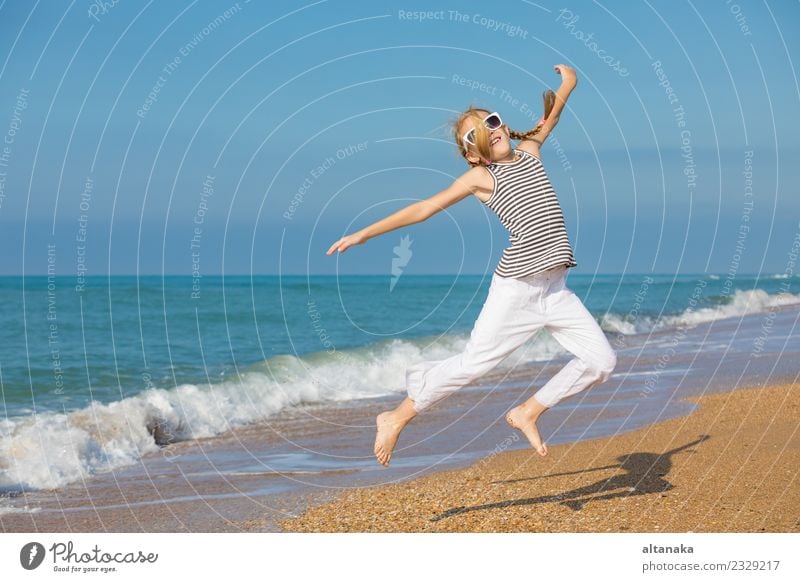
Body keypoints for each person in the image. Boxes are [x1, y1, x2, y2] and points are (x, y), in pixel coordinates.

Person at [327, 64, 617, 467]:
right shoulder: (482, 178)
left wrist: (568, 83)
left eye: (493, 120)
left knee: (602, 361)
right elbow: (425, 208)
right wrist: (365, 234)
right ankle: (396, 416)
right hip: (516, 290)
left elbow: (551, 116)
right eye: (477, 132)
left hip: (555, 289)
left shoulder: (530, 151)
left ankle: (529, 411)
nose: (491, 129)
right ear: (471, 152)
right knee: (475, 363)